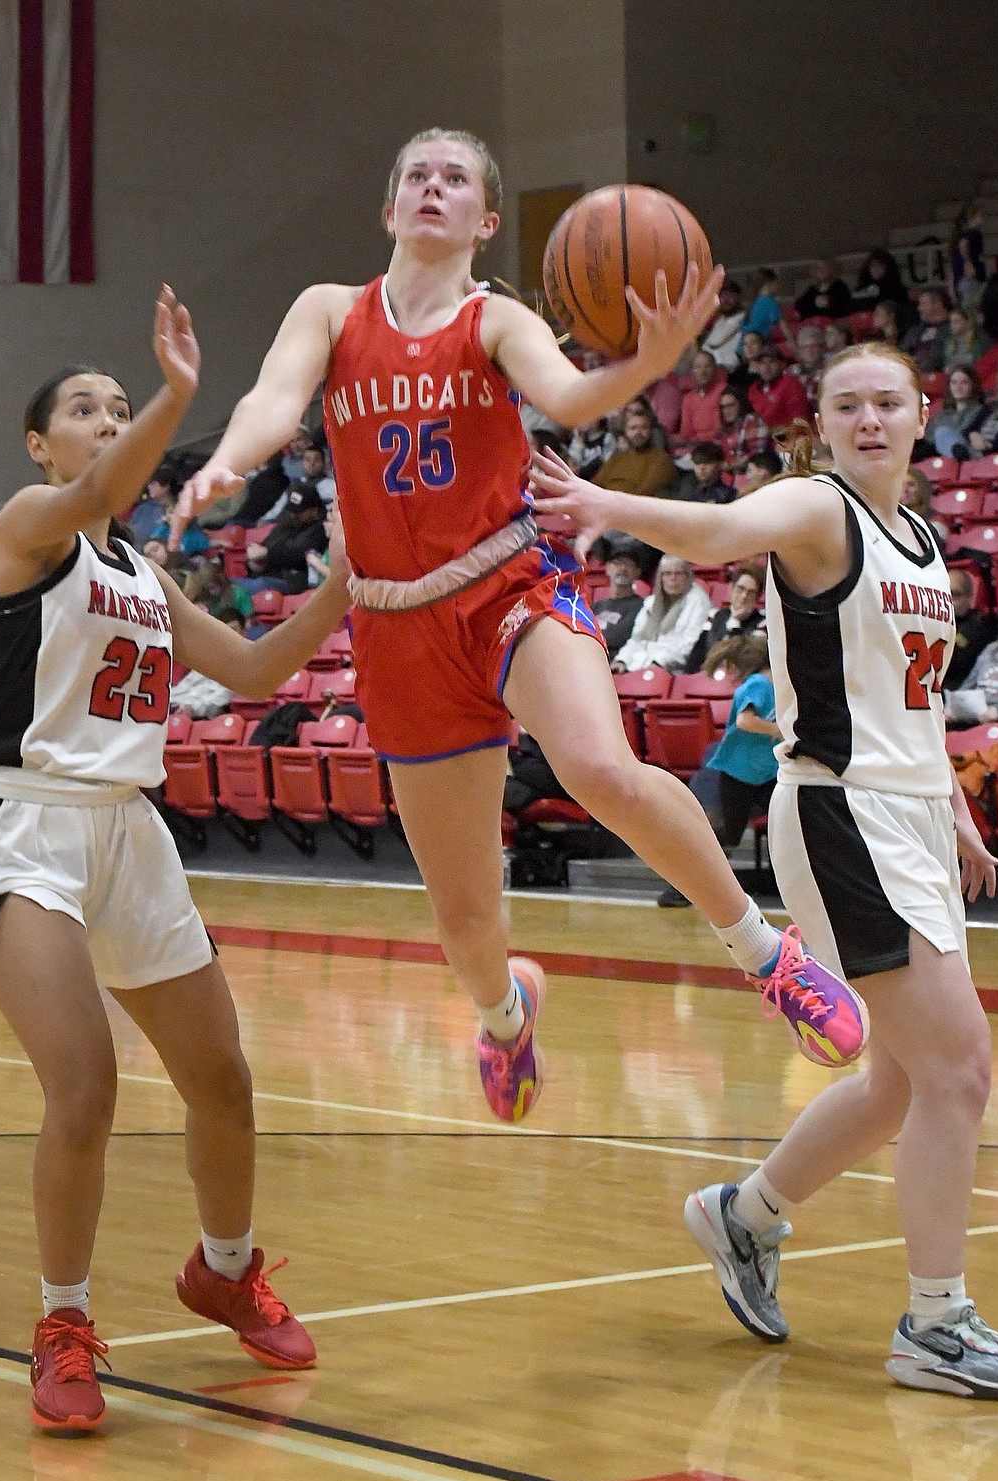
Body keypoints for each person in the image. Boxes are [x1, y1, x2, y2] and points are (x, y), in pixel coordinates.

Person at [176, 126, 870, 1132]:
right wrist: (227, 463)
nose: (431, 187)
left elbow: (568, 393)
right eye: (415, 174)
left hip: (508, 582)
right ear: (388, 209)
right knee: (463, 920)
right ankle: (505, 1016)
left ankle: (767, 956)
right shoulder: (330, 311)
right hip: (394, 623)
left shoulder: (493, 318)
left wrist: (650, 359)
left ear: (484, 220)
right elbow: (271, 402)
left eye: (453, 178)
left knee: (594, 763)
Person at [531, 340, 998, 1397]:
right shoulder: (811, 511)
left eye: (887, 401)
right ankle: (934, 1325)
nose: (869, 418)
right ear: (822, 425)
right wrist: (606, 501)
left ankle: (741, 1217)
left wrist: (952, 814)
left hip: (911, 814)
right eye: (848, 405)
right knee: (958, 1069)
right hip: (840, 817)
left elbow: (909, 701)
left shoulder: (923, 539)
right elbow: (714, 529)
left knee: (897, 1080)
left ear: (921, 413)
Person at [0, 290, 353, 1432]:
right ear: (39, 441)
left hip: (131, 829)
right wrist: (179, 392)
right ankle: (62, 1323)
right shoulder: (32, 520)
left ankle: (224, 1268)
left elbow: (261, 669)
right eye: (86, 408)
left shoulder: (140, 572)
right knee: (84, 1084)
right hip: (24, 820)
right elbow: (92, 492)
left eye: (118, 407)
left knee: (221, 1081)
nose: (103, 420)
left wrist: (340, 585)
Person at [658, 631, 779, 907]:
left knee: (784, 824)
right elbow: (745, 721)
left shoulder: (780, 684)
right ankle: (681, 881)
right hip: (738, 773)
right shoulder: (759, 684)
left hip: (765, 772)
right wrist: (777, 729)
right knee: (728, 834)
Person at [612, 555, 710, 673]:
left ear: (687, 576)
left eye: (678, 573)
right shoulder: (651, 602)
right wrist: (622, 660)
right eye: (667, 573)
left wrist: (658, 662)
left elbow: (689, 644)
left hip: (670, 670)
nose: (673, 578)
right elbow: (637, 639)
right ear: (660, 578)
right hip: (638, 666)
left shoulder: (698, 600)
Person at [682, 562, 766, 673]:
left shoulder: (762, 623)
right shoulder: (714, 616)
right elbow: (697, 656)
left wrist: (735, 624)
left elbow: (744, 660)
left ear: (757, 597)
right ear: (731, 588)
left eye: (751, 592)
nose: (744, 596)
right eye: (740, 588)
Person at [590, 542, 647, 662]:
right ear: (607, 568)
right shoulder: (596, 606)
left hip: (612, 663)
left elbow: (618, 638)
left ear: (638, 572)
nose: (623, 568)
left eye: (628, 564)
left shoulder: (641, 606)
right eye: (618, 563)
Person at [945, 568, 997, 689]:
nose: (949, 600)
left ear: (969, 597)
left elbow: (957, 664)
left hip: (961, 695)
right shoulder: (928, 624)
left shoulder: (979, 629)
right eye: (945, 593)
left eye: (955, 594)